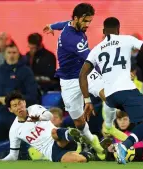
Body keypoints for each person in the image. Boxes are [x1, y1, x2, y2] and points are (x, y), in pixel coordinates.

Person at [43, 3, 127, 159]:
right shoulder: (73, 39)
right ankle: (93, 140)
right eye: (86, 21)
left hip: (86, 73)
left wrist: (51, 26)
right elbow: (93, 59)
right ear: (76, 18)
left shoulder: (71, 25)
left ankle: (108, 126)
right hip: (68, 81)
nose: (88, 25)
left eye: (90, 21)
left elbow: (63, 24)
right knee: (79, 123)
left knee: (109, 95)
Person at [79, 17, 143, 164]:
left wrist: (87, 99)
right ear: (119, 29)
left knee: (140, 119)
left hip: (109, 97)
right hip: (126, 90)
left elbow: (82, 75)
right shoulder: (126, 39)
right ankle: (124, 146)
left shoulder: (96, 49)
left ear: (104, 31)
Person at [0, 91, 95, 162]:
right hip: (51, 151)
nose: (19, 107)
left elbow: (50, 116)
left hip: (59, 139)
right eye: (15, 106)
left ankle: (73, 135)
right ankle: (88, 153)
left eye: (20, 103)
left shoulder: (34, 108)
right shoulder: (14, 130)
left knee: (54, 132)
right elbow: (13, 156)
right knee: (80, 160)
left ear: (24, 102)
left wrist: (38, 118)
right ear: (10, 110)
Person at [0, 42, 37, 141]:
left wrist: (10, 100)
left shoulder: (26, 71)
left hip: (17, 113)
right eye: (9, 52)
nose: (11, 55)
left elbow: (32, 96)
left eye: (14, 52)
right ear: (4, 54)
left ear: (18, 54)